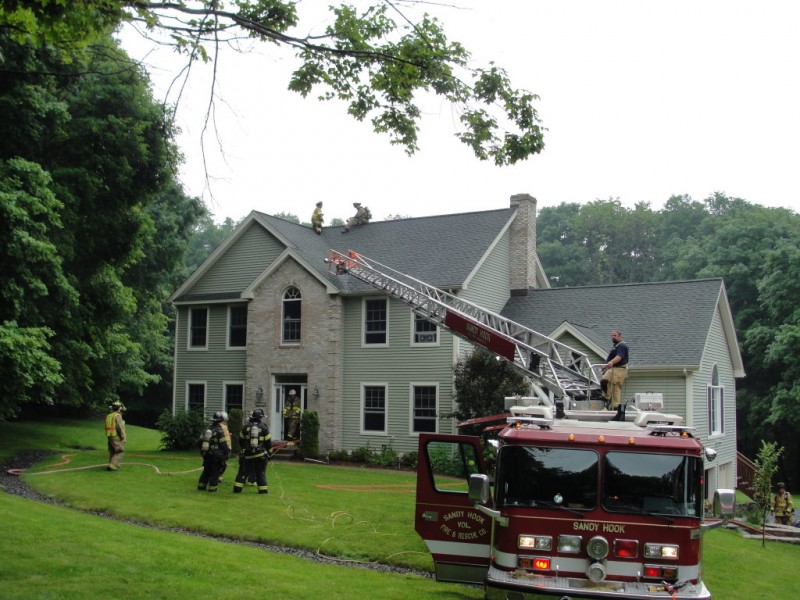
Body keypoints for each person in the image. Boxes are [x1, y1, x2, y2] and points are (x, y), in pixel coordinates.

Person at [233, 408, 272, 494]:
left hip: (247, 455)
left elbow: (241, 440)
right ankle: (263, 490)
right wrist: (269, 452)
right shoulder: (264, 427)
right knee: (260, 473)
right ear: (260, 417)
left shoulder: (245, 426)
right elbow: (268, 442)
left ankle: (237, 489)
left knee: (242, 472)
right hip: (260, 455)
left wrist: (243, 449)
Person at [197, 411, 231, 492]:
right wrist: (227, 452)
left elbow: (199, 442)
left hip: (206, 454)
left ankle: (201, 486)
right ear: (221, 420)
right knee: (215, 472)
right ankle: (213, 488)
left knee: (206, 471)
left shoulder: (207, 429)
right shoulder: (219, 430)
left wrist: (202, 451)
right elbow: (223, 444)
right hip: (216, 456)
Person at [601, 329, 629, 409]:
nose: (613, 337)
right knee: (616, 387)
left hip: (618, 369)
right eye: (612, 336)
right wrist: (605, 366)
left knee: (605, 380)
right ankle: (616, 405)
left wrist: (611, 362)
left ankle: (606, 397)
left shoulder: (622, 345)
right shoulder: (616, 346)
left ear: (620, 336)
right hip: (616, 368)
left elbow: (619, 357)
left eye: (615, 335)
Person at [105, 400, 127, 471]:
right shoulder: (117, 416)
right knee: (120, 451)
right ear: (119, 408)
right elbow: (120, 427)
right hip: (116, 436)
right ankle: (113, 465)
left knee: (113, 451)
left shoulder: (109, 415)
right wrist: (123, 437)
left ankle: (111, 465)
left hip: (110, 436)